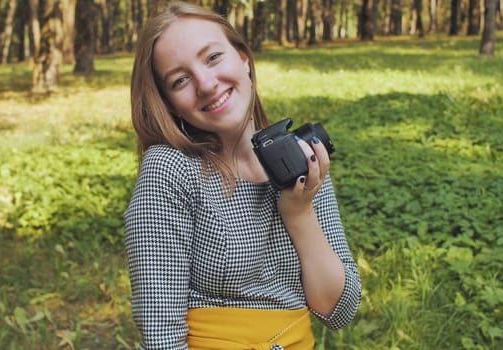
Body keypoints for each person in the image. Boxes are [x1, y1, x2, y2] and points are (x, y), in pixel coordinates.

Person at [124, 2, 361, 349]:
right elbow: (161, 335)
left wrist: (299, 212)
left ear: (244, 59)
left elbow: (338, 310)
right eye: (180, 80)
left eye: (213, 57)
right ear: (171, 104)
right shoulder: (171, 170)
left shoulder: (299, 160)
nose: (205, 83)